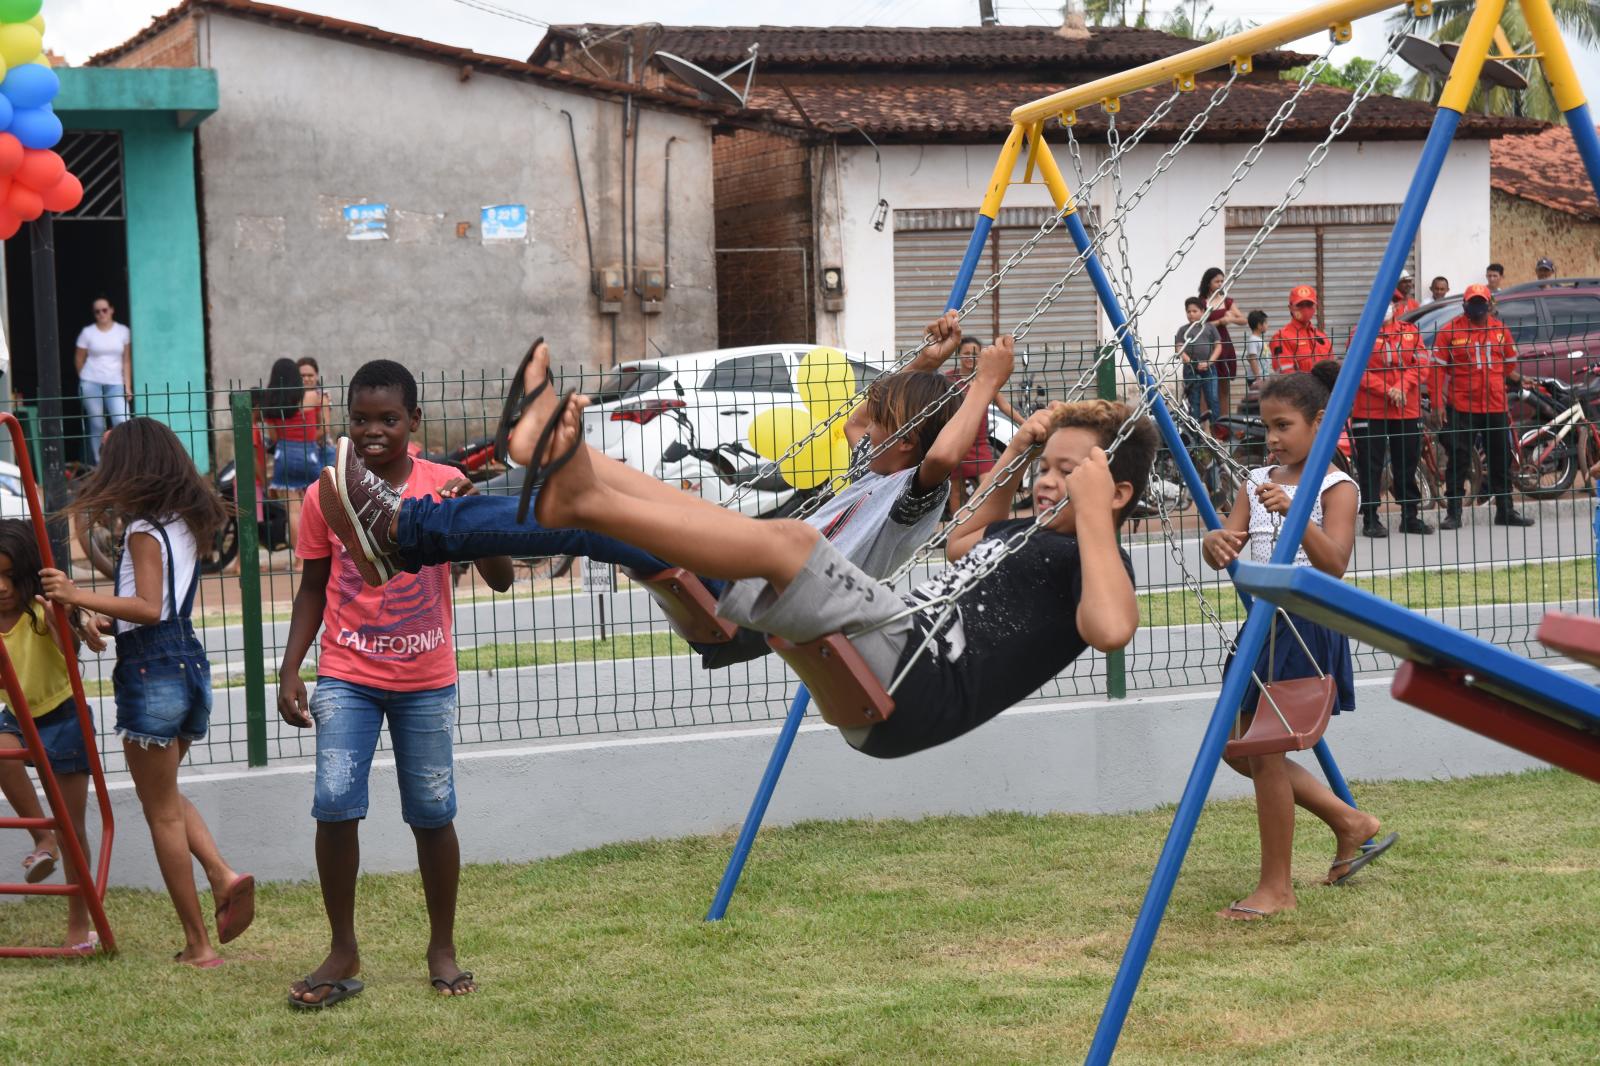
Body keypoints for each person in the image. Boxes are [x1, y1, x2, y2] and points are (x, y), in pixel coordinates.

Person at [470, 341, 1153, 760]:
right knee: (724, 521)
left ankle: (580, 502)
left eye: (1072, 473)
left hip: (915, 678)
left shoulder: (1095, 564)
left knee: (789, 541)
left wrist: (1094, 517)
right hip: (885, 646)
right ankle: (557, 457)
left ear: (1113, 494)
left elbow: (1112, 629)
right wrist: (1019, 453)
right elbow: (965, 541)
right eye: (1050, 467)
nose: (1051, 481)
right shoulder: (1019, 532)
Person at [321, 316, 1003, 674]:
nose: (863, 434)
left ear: (907, 443)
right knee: (625, 486)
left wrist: (983, 383)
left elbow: (942, 451)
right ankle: (526, 454)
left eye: (883, 428)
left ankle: (405, 531)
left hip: (767, 598)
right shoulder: (881, 470)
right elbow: (867, 419)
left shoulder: (915, 498)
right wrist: (927, 366)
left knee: (594, 522)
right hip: (755, 565)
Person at [278, 359, 515, 1008]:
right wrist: (291, 666)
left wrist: (480, 517)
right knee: (334, 806)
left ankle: (442, 947)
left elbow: (500, 578)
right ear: (345, 423)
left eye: (389, 419)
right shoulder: (326, 493)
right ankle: (343, 950)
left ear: (415, 420)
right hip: (346, 678)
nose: (374, 431)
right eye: (361, 420)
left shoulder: (444, 485)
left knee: (434, 814)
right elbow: (312, 588)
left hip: (425, 681)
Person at [42, 418, 254, 967]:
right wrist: (97, 615)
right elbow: (150, 603)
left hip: (151, 670)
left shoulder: (142, 527)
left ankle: (199, 944)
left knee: (158, 810)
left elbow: (147, 607)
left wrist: (73, 590)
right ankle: (222, 874)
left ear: (132, 465)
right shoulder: (180, 521)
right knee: (166, 794)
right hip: (186, 663)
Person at [1201, 362, 1395, 920]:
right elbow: (1229, 543)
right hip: (1262, 625)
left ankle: (1276, 888)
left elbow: (1333, 564)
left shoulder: (1337, 487)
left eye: (1285, 425)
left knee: (1262, 752)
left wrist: (1295, 520)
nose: (1275, 438)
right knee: (1235, 748)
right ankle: (1349, 821)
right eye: (1268, 427)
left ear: (1319, 423)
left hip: (1305, 626)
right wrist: (1216, 544)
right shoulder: (1257, 480)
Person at [0, 521, 100, 952]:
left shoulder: (39, 611)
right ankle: (41, 838)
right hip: (18, 716)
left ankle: (80, 921)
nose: (2, 587)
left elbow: (70, 654)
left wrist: (64, 613)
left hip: (63, 713)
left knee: (72, 827)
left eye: (9, 576)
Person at [1434, 284, 1535, 529]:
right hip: (1462, 407)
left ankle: (1505, 510)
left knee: (1500, 459)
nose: (1477, 306)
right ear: (1464, 304)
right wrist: (1438, 403)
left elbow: (1509, 364)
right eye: (1473, 302)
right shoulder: (1449, 332)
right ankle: (1454, 513)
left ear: (1489, 304)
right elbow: (1436, 371)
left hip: (1495, 406)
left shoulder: (1500, 330)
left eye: (1481, 302)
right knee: (1459, 460)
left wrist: (1503, 379)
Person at [1348, 294, 1433, 538]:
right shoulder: (1360, 332)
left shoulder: (1410, 331)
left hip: (1406, 408)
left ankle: (1410, 516)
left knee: (1407, 462)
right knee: (1370, 465)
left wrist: (1402, 387)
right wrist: (1388, 390)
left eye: (1389, 303)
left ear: (1395, 307)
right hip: (1370, 409)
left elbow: (1421, 364)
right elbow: (1356, 369)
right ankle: (1370, 518)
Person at [945, 334, 1022, 517]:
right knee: (956, 490)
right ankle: (956, 527)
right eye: (965, 353)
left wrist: (1025, 423)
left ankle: (990, 523)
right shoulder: (948, 379)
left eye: (975, 354)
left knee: (990, 486)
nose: (970, 358)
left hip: (980, 443)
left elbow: (1004, 406)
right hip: (957, 441)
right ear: (958, 355)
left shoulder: (986, 379)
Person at [259, 358, 322, 554]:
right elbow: (320, 428)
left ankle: (300, 560)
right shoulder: (312, 397)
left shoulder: (270, 402)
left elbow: (273, 436)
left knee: (294, 511)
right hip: (309, 454)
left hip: (284, 454)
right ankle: (317, 553)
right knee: (315, 507)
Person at [73, 296, 132, 464]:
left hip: (115, 382)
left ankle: (124, 462)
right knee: (97, 424)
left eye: (104, 310)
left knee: (122, 421)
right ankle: (100, 466)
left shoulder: (122, 331)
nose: (101, 314)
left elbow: (126, 360)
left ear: (112, 310)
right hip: (91, 381)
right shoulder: (88, 332)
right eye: (97, 311)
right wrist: (84, 379)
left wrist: (127, 385)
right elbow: (79, 358)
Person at [1200, 267, 1247, 419]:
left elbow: (1243, 319)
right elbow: (1199, 325)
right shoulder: (1202, 302)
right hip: (1208, 346)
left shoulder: (1226, 300)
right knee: (1205, 389)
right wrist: (1220, 321)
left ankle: (1224, 425)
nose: (1220, 284)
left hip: (1225, 345)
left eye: (1222, 281)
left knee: (1224, 387)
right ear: (1208, 283)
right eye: (1216, 281)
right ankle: (1206, 426)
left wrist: (1231, 319)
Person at [1176, 297, 1222, 426]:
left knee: (1213, 399)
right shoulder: (1183, 330)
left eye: (1195, 311)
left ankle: (1217, 432)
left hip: (1209, 368)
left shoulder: (1210, 328)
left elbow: (1218, 346)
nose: (1191, 314)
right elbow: (1179, 348)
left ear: (1202, 311)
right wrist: (1192, 362)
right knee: (1193, 400)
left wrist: (1209, 362)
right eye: (1188, 311)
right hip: (1190, 369)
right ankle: (1195, 436)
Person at [1268, 285, 1332, 375]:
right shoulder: (1281, 338)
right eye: (1300, 305)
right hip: (1298, 388)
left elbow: (1333, 372)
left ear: (1315, 307)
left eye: (1309, 304)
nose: (1305, 309)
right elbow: (1286, 376)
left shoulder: (1323, 338)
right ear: (1290, 308)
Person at [297, 357, 336, 466]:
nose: (306, 379)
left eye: (310, 375)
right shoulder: (293, 397)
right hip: (301, 451)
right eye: (302, 376)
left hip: (322, 450)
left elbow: (324, 428)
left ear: (317, 376)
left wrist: (301, 444)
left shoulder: (322, 396)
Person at [1242, 310, 1269, 391]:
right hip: (1256, 378)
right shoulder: (1253, 340)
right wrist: (1258, 378)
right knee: (1258, 400)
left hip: (1262, 376)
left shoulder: (1258, 339)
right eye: (1266, 323)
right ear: (1259, 325)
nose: (1268, 325)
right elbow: (1252, 359)